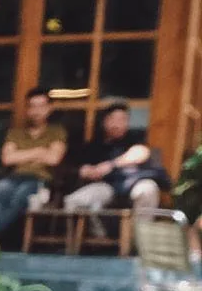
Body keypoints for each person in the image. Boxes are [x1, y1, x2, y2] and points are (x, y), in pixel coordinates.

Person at [0, 87, 68, 256]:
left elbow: (54, 159)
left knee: (21, 196)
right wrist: (40, 151)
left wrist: (21, 155)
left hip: (40, 179)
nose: (36, 111)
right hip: (15, 176)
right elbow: (7, 159)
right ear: (27, 109)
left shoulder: (56, 132)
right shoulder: (16, 133)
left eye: (41, 106)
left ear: (49, 108)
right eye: (32, 106)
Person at [64, 99, 169, 231]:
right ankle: (97, 241)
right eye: (113, 119)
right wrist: (85, 171)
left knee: (148, 190)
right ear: (104, 121)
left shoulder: (134, 139)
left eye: (123, 119)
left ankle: (137, 242)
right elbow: (76, 167)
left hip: (132, 183)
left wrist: (111, 165)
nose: (117, 124)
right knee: (74, 201)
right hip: (105, 186)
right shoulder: (94, 144)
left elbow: (141, 152)